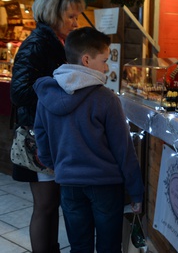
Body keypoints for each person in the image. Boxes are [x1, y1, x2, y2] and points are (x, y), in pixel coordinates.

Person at [33, 26, 145, 253]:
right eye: (104, 61)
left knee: (79, 245)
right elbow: (124, 151)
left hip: (69, 183)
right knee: (108, 246)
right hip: (105, 185)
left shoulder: (46, 96)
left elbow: (42, 141)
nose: (106, 67)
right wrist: (136, 191)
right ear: (86, 60)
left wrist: (57, 165)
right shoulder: (106, 99)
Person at [10, 0, 85, 252]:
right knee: (44, 205)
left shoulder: (57, 41)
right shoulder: (37, 44)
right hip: (37, 136)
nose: (76, 23)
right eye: (71, 17)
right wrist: (59, 89)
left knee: (52, 203)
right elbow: (18, 92)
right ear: (53, 14)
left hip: (51, 135)